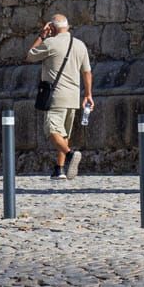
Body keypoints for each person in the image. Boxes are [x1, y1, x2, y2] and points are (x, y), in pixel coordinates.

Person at [25, 14, 93, 181]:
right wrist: (88, 94)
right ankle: (59, 168)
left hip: (56, 96)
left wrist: (42, 35)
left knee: (52, 130)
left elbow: (30, 55)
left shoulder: (50, 43)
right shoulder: (80, 45)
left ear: (53, 28)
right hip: (73, 97)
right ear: (67, 27)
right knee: (64, 134)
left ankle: (70, 155)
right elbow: (87, 72)